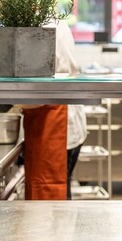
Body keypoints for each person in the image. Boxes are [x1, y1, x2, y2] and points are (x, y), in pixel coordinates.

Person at [22, 20, 88, 200]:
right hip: (69, 124)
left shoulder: (40, 28)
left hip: (56, 125)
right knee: (60, 203)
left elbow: (40, 89)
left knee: (52, 204)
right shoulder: (57, 23)